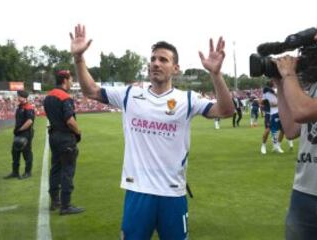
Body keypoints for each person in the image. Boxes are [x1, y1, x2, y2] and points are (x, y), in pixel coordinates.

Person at [70, 24, 234, 239]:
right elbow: (90, 90)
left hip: (172, 192)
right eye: (153, 59)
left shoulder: (187, 99)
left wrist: (216, 74)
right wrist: (79, 58)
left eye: (163, 60)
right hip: (138, 191)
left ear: (176, 68)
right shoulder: (129, 94)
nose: (156, 63)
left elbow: (226, 110)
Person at [274, 31, 317, 239]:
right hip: (304, 190)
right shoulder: (314, 86)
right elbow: (291, 129)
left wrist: (289, 75)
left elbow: (303, 111)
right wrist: (280, 84)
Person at [43, 70, 85, 215]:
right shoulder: (65, 97)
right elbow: (70, 121)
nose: (72, 82)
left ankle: (55, 201)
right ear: (65, 80)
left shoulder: (48, 96)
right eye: (71, 79)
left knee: (55, 168)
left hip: (53, 136)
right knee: (67, 170)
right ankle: (66, 205)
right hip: (65, 138)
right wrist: (78, 132)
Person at [4, 90, 35, 179]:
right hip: (18, 134)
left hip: (25, 134)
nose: (17, 97)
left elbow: (29, 121)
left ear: (24, 97)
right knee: (15, 152)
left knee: (27, 153)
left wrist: (20, 129)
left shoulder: (28, 107)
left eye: (19, 96)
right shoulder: (20, 107)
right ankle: (15, 172)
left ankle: (28, 172)